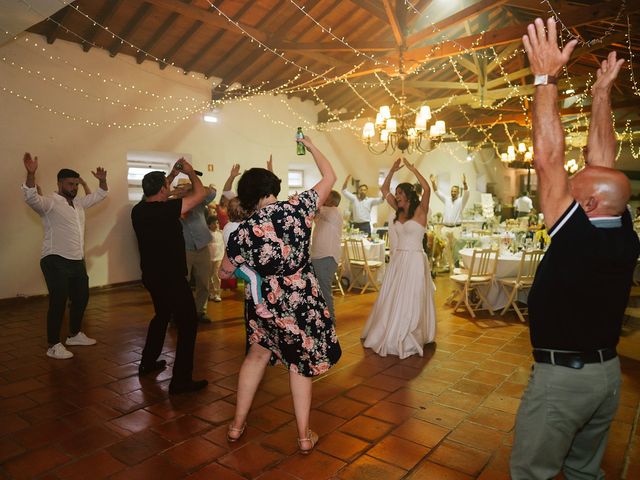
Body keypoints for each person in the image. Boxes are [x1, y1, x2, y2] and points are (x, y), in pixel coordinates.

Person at [510, 19, 639, 479]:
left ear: (586, 201)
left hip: (563, 380)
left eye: (577, 178)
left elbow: (546, 159)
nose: (575, 170)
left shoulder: (579, 238)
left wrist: (545, 78)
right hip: (606, 379)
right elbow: (603, 163)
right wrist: (601, 94)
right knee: (585, 472)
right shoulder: (622, 231)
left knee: (533, 471)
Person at [219, 136, 341, 453]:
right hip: (301, 297)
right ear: (272, 188)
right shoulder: (298, 208)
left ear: (248, 196)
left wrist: (252, 269)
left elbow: (224, 272)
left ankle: (235, 426)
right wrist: (311, 146)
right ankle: (303, 436)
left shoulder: (243, 230)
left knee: (256, 355)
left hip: (264, 303)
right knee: (299, 365)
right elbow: (330, 178)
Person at [131, 158, 208, 395]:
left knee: (162, 315)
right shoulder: (168, 209)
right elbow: (200, 194)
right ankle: (181, 381)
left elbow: (159, 191)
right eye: (166, 185)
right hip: (172, 278)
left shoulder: (138, 210)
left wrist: (172, 175)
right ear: (163, 190)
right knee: (188, 324)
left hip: (151, 277)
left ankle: (147, 362)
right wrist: (190, 173)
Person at [22, 154, 108, 360]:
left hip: (76, 260)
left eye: (76, 184)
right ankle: (53, 344)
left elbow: (101, 195)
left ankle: (74, 334)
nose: (74, 188)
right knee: (58, 301)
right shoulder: (51, 202)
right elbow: (31, 197)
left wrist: (102, 180)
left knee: (81, 297)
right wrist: (31, 173)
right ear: (60, 183)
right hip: (54, 259)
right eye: (70, 184)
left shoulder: (78, 204)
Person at [361, 158, 436, 358]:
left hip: (415, 261)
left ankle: (409, 332)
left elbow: (427, 190)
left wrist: (413, 169)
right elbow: (384, 188)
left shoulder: (421, 211)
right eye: (397, 194)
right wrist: (392, 171)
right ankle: (389, 329)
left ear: (409, 195)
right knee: (393, 297)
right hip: (398, 261)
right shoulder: (398, 210)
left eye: (400, 193)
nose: (396, 196)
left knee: (411, 298)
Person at [172, 180, 217, 323]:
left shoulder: (198, 201)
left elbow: (213, 192)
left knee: (204, 283)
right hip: (183, 250)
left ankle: (199, 312)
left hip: (202, 247)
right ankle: (178, 314)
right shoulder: (170, 205)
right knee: (180, 284)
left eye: (186, 187)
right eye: (180, 187)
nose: (183, 190)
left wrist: (193, 187)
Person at [310, 190, 343, 320]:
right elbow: (314, 214)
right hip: (319, 256)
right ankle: (321, 319)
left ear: (332, 201)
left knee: (324, 291)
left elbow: (315, 206)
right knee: (318, 291)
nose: (323, 199)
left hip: (326, 257)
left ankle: (330, 322)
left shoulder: (333, 211)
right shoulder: (325, 213)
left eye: (326, 197)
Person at [429, 173, 469, 270]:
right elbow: (436, 191)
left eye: (455, 191)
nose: (453, 192)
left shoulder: (461, 201)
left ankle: (455, 267)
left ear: (458, 192)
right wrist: (433, 182)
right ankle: (447, 266)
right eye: (452, 191)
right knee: (445, 249)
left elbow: (467, 192)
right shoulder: (447, 199)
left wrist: (464, 183)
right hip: (446, 228)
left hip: (456, 228)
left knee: (455, 249)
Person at [207, 216, 224, 302]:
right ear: (209, 225)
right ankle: (211, 293)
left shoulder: (221, 233)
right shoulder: (206, 234)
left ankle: (217, 293)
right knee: (209, 276)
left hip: (219, 257)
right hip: (209, 258)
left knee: (216, 275)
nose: (216, 225)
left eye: (217, 223)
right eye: (213, 223)